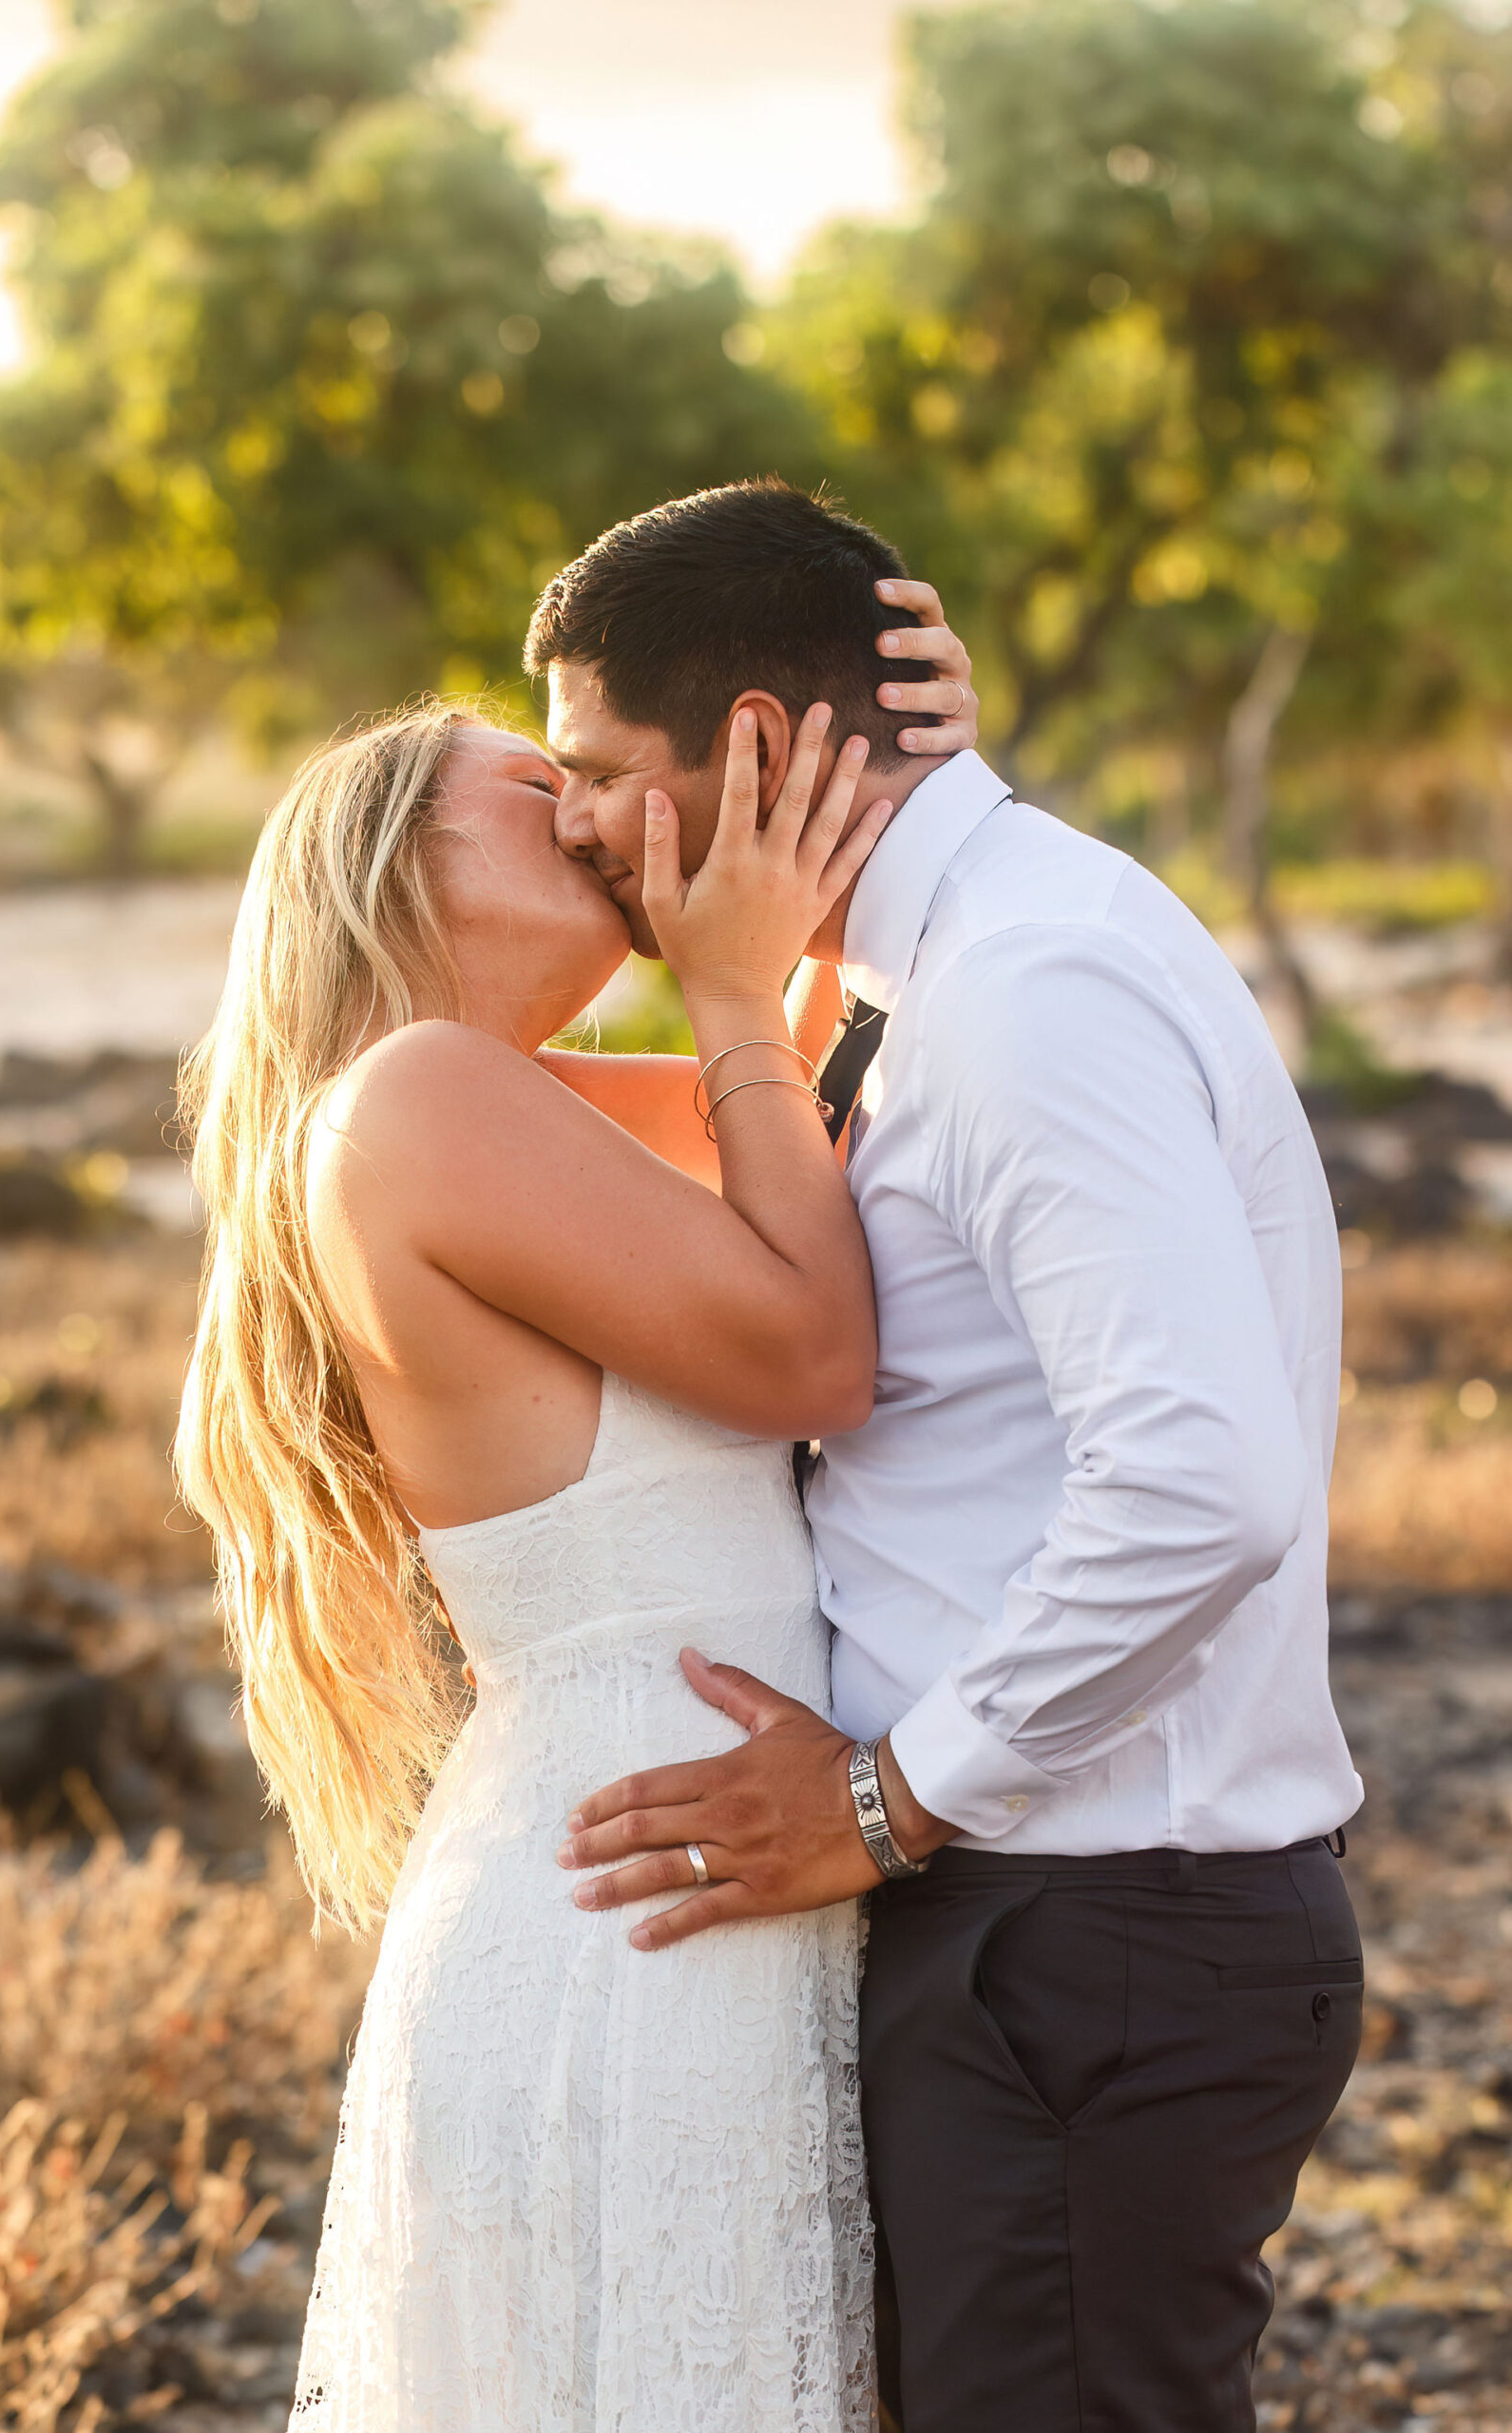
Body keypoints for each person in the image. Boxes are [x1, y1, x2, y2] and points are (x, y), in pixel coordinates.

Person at [538, 480, 1367, 2433]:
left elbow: (1198, 1480)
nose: (571, 819)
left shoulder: (1024, 987)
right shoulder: (935, 962)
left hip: (1094, 1930)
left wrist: (892, 1796)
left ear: (751, 749)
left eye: (588, 767)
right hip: (1057, 1927)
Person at [173, 596, 979, 2427]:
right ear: (397, 874)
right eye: (545, 792)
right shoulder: (419, 1097)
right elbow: (813, 1352)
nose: (606, 821)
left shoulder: (503, 1107)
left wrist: (903, 760)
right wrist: (722, 991)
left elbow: (848, 1125)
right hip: (638, 1883)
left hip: (675, 1848)